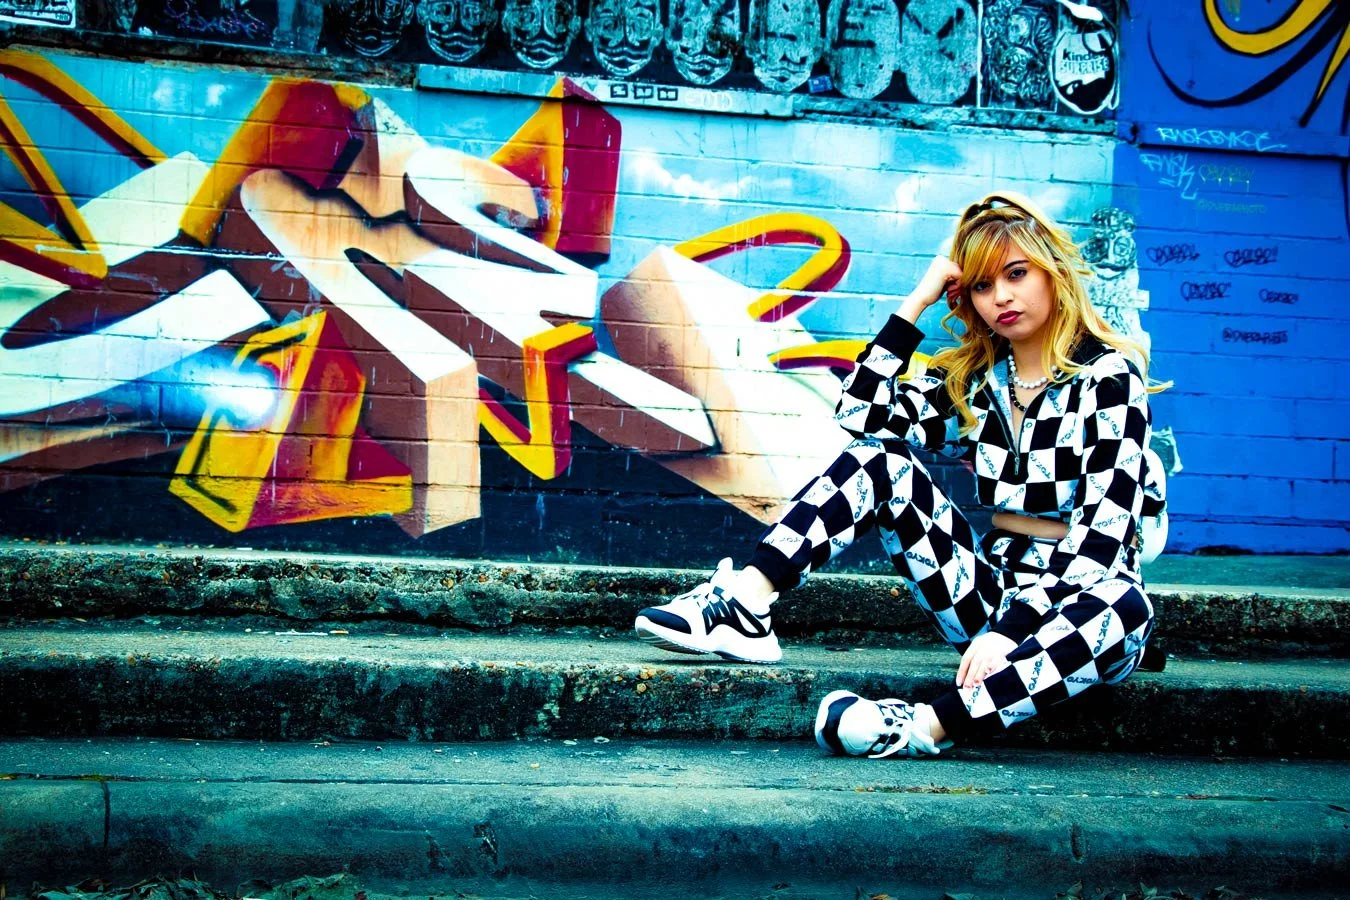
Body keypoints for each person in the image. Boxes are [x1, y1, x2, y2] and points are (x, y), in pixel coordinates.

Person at [633, 191, 1168, 760]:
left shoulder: (1108, 380)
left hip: (1079, 602)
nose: (1001, 298)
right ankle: (745, 604)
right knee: (878, 461)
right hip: (993, 588)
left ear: (1052, 272)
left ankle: (918, 727)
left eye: (1016, 274)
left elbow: (1101, 540)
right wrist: (918, 300)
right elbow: (858, 414)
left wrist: (1009, 636)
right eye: (983, 286)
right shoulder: (978, 383)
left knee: (1127, 607)